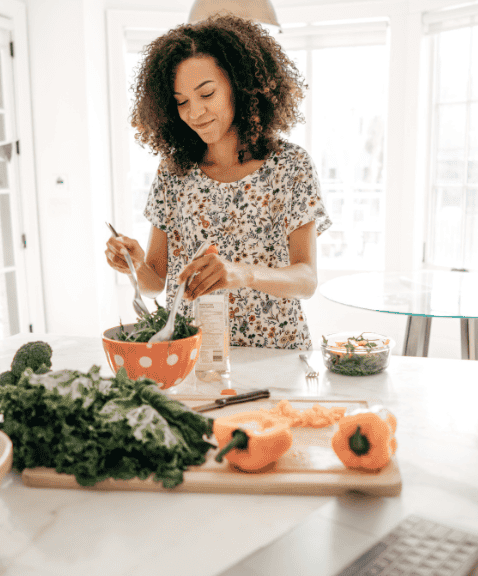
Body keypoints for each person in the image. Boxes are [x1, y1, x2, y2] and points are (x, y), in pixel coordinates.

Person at [104, 13, 331, 350]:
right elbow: (155, 281)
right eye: (182, 102)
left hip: (275, 354)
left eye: (206, 94)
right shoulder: (173, 173)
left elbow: (307, 280)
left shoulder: (290, 166)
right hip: (191, 354)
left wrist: (243, 273)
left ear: (239, 85)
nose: (194, 113)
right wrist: (134, 263)